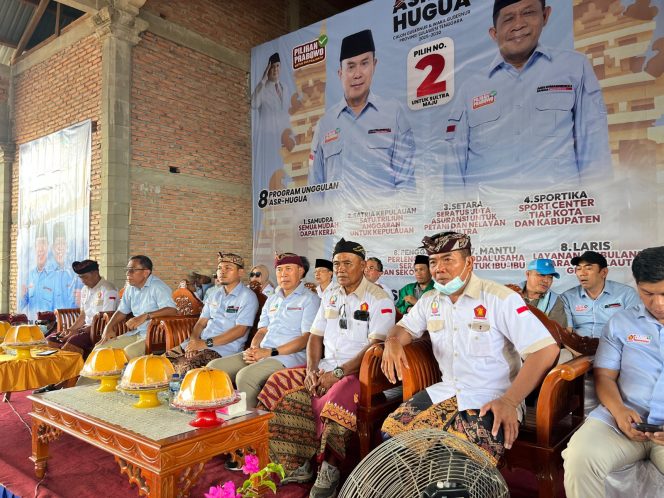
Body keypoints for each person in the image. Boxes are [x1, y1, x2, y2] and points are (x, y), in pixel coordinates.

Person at [381, 231, 559, 465]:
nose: (438, 268)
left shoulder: (499, 298)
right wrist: (392, 342)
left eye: (448, 260)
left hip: (496, 397)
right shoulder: (430, 300)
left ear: (469, 262)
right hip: (446, 391)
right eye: (433, 262)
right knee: (391, 434)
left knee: (455, 464)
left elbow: (545, 350)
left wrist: (510, 401)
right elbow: (403, 329)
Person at [256, 238, 395, 496]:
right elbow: (315, 336)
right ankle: (297, 462)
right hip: (324, 367)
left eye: (347, 263)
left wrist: (339, 373)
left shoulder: (379, 299)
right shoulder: (330, 294)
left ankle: (330, 469)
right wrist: (311, 369)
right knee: (278, 384)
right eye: (337, 263)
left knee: (338, 397)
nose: (340, 268)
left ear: (363, 266)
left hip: (360, 373)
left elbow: (375, 346)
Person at [443, 0, 611, 190]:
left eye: (528, 13)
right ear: (494, 33)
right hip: (488, 216)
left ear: (545, 16)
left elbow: (595, 151)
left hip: (555, 214)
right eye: (508, 19)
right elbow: (453, 166)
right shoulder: (470, 88)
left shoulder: (574, 68)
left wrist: (598, 210)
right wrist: (455, 213)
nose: (518, 24)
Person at [562, 246, 664, 498]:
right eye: (648, 293)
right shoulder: (621, 322)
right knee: (580, 457)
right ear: (637, 285)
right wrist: (618, 411)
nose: (658, 303)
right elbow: (605, 375)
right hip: (624, 419)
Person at [308, 29, 416, 200]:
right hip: (338, 226)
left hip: (382, 225)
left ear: (374, 65)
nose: (357, 74)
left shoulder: (393, 114)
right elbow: (315, 190)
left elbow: (407, 185)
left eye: (364, 63)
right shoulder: (325, 124)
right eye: (350, 66)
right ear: (340, 73)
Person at [207, 252, 320, 408]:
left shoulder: (310, 299)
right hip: (263, 351)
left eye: (289, 269)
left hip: (288, 356)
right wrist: (254, 349)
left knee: (245, 376)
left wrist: (269, 352)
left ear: (300, 271)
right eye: (279, 270)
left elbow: (305, 339)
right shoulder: (273, 299)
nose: (283, 274)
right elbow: (261, 331)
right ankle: (221, 415)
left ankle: (251, 425)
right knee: (213, 368)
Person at [166, 253, 259, 375]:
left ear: (240, 272)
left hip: (222, 349)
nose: (222, 272)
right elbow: (201, 323)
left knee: (187, 370)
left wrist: (203, 344)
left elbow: (240, 330)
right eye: (220, 268)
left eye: (228, 268)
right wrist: (194, 342)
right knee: (162, 362)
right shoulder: (215, 294)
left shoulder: (247, 297)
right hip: (199, 344)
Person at [95, 255, 176, 359]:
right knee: (101, 349)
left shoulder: (158, 287)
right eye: (127, 270)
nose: (128, 274)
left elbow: (172, 310)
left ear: (146, 273)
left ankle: (125, 375)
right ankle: (103, 375)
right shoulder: (130, 288)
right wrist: (108, 327)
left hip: (155, 336)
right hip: (137, 333)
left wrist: (146, 316)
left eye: (132, 270)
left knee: (128, 353)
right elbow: (122, 310)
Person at [561, 251, 640, 339]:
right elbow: (566, 333)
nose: (582, 273)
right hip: (579, 347)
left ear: (604, 272)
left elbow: (635, 328)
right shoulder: (567, 297)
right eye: (578, 269)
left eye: (588, 268)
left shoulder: (626, 293)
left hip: (615, 345)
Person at [48, 260, 118, 358]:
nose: (82, 281)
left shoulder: (108, 289)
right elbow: (83, 315)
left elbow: (106, 319)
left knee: (71, 343)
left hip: (99, 331)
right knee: (51, 339)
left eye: (85, 277)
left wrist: (80, 331)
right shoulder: (85, 289)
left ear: (95, 273)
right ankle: (51, 371)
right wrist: (70, 330)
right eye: (80, 277)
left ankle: (73, 372)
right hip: (85, 329)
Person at [252, 52, 293, 191]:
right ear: (268, 69)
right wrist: (263, 80)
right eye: (272, 67)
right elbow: (253, 104)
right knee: (270, 174)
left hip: (283, 141)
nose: (275, 69)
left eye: (277, 66)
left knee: (284, 172)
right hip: (268, 141)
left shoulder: (285, 88)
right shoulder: (262, 89)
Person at [20, 223, 56, 319]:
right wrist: (22, 296)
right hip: (31, 326)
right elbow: (21, 305)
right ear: (35, 248)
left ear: (48, 247)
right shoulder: (30, 276)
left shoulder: (55, 275)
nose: (40, 248)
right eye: (38, 244)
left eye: (43, 243)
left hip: (49, 328)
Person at [518, 258, 567, 328]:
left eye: (550, 277)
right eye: (542, 275)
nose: (546, 280)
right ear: (528, 274)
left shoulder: (555, 300)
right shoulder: (511, 292)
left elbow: (556, 332)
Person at [51, 221, 79, 309]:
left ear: (66, 246)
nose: (60, 248)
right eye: (57, 244)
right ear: (52, 248)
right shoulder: (46, 273)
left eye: (62, 243)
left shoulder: (74, 274)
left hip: (69, 319)